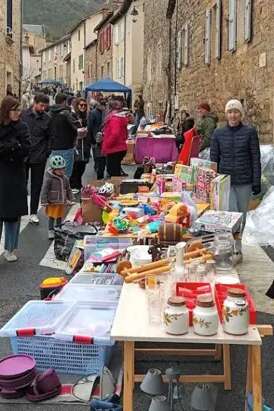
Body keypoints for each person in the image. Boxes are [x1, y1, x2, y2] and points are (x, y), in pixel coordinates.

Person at [210, 99, 261, 263]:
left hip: (244, 179)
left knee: (242, 215)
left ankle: (238, 248)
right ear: (226, 114)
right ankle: (230, 248)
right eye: (230, 112)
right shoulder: (218, 133)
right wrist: (212, 179)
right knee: (231, 214)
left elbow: (255, 157)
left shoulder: (249, 132)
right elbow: (214, 158)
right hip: (226, 180)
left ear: (241, 114)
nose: (233, 115)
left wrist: (256, 180)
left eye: (236, 112)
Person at [0, 96, 30, 262]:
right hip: (2, 173)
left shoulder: (22, 127)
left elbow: (25, 149)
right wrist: (11, 146)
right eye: (15, 110)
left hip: (15, 174)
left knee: (12, 215)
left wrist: (11, 147)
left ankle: (10, 249)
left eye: (19, 110)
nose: (18, 113)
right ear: (6, 110)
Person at [21, 93, 51, 224]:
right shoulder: (23, 115)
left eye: (45, 106)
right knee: (22, 184)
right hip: (24, 156)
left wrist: (46, 153)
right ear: (35, 103)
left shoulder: (47, 119)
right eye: (41, 105)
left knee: (36, 185)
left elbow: (50, 137)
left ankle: (33, 212)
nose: (43, 108)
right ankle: (21, 210)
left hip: (39, 156)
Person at [41, 155, 73, 240]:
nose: (61, 171)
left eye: (62, 169)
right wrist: (44, 201)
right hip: (52, 202)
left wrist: (70, 198)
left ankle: (58, 228)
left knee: (59, 216)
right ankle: (50, 230)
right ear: (53, 169)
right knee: (51, 216)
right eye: (59, 169)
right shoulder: (49, 179)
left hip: (61, 201)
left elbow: (68, 189)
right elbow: (44, 190)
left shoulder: (65, 178)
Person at [48, 93, 78, 178]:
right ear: (64, 102)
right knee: (66, 174)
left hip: (54, 147)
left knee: (55, 173)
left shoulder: (49, 113)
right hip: (67, 146)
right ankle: (64, 190)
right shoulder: (66, 113)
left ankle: (56, 190)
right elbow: (76, 127)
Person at [102, 98, 131, 177]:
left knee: (113, 173)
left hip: (114, 149)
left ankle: (116, 187)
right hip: (119, 147)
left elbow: (115, 134)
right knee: (115, 171)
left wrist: (107, 144)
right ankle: (116, 186)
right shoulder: (120, 118)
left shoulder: (114, 119)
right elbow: (125, 134)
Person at [70, 98, 90, 191]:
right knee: (76, 165)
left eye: (85, 105)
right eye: (81, 105)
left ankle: (78, 183)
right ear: (77, 106)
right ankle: (74, 184)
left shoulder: (86, 116)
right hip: (77, 144)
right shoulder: (73, 116)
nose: (83, 107)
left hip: (85, 144)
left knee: (82, 165)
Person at [88, 98, 106, 180]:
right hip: (96, 137)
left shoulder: (104, 113)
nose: (103, 106)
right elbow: (90, 126)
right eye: (102, 104)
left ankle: (98, 167)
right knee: (98, 155)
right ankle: (97, 168)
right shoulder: (93, 113)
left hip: (100, 137)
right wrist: (91, 139)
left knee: (100, 156)